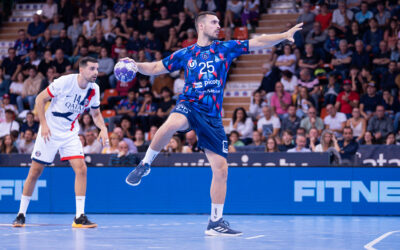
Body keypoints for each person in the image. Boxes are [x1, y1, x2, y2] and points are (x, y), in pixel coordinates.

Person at [123, 11, 302, 236]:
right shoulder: (186, 53)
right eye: (214, 22)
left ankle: (215, 222)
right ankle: (145, 165)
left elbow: (258, 42)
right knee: (171, 123)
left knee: (221, 170)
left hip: (212, 116)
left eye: (219, 22)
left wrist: (284, 35)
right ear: (200, 26)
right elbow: (156, 67)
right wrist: (134, 64)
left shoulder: (225, 48)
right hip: (190, 105)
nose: (219, 26)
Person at [12, 57, 109, 228]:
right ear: (82, 70)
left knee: (81, 169)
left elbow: (96, 114)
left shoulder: (94, 89)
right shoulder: (65, 82)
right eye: (92, 69)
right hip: (49, 130)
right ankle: (21, 214)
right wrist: (43, 125)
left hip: (70, 133)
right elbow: (39, 99)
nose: (95, 72)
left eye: (97, 69)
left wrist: (103, 128)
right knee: (35, 172)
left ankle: (79, 217)